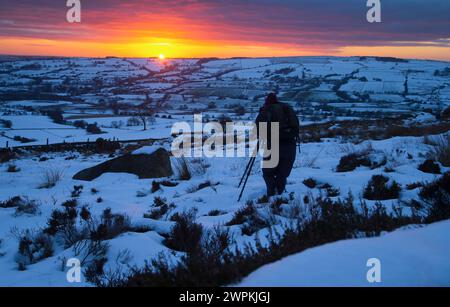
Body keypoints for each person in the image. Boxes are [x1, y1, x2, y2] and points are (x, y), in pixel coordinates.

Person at [255, 93, 300, 197]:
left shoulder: (266, 110)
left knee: (268, 171)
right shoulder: (287, 109)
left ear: (267, 101)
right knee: (282, 173)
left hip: (273, 144)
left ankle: (272, 194)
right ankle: (280, 195)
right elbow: (296, 127)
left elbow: (258, 129)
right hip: (290, 144)